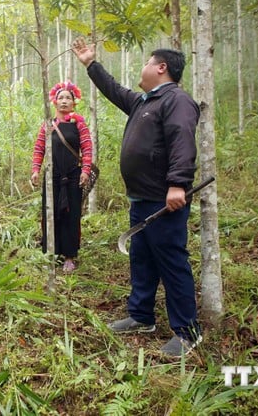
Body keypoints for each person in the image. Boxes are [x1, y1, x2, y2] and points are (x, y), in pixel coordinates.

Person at [72, 37, 202, 358]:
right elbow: (115, 90)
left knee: (172, 261)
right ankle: (141, 315)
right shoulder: (145, 102)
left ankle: (187, 331)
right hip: (141, 198)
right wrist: (91, 63)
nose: (141, 67)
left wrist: (177, 184)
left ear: (161, 67)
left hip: (163, 198)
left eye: (146, 61)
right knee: (141, 257)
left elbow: (182, 141)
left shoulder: (177, 100)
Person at [31, 80, 93, 273]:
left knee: (71, 214)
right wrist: (35, 170)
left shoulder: (80, 125)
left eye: (68, 98)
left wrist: (85, 170)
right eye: (61, 98)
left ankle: (70, 256)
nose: (64, 101)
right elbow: (39, 148)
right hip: (52, 177)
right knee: (50, 213)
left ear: (74, 103)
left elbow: (87, 148)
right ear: (54, 102)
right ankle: (52, 252)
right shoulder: (48, 125)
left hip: (73, 176)